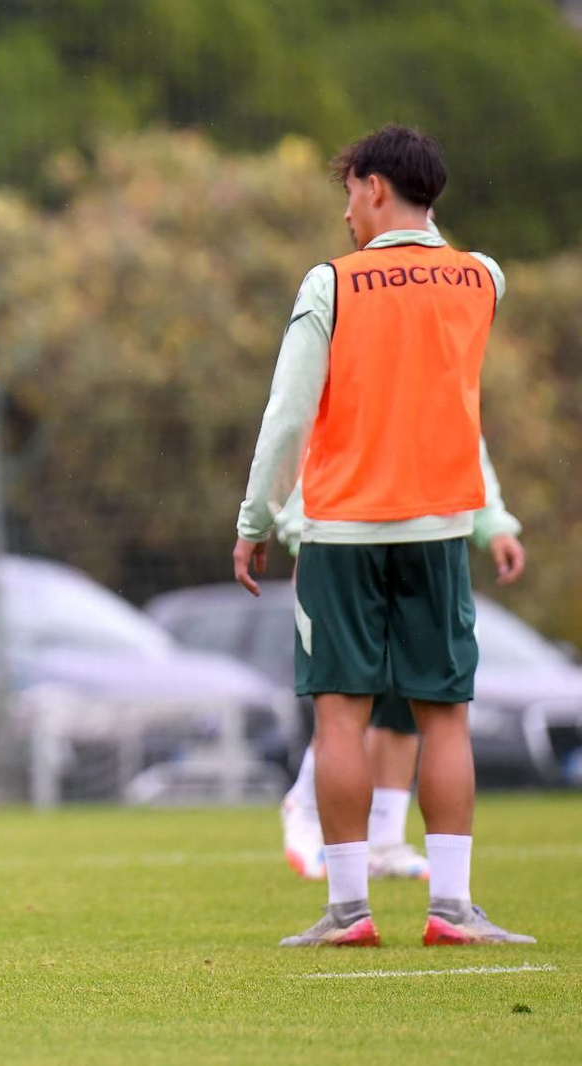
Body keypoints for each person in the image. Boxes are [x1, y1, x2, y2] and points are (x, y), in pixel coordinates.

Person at [234, 124, 532, 946]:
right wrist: (491, 517)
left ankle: (347, 911)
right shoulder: (483, 279)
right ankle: (454, 909)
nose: (345, 216)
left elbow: (288, 415)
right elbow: (457, 411)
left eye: (347, 195)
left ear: (372, 186)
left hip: (341, 533)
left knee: (340, 719)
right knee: (444, 718)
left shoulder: (332, 284)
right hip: (439, 527)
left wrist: (255, 520)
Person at [275, 442, 525, 882]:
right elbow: (302, 425)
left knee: (415, 695)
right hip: (346, 531)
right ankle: (307, 805)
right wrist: (299, 530)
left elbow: (461, 435)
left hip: (426, 533)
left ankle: (385, 838)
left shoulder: (444, 370)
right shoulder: (347, 369)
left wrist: (492, 522)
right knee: (346, 692)